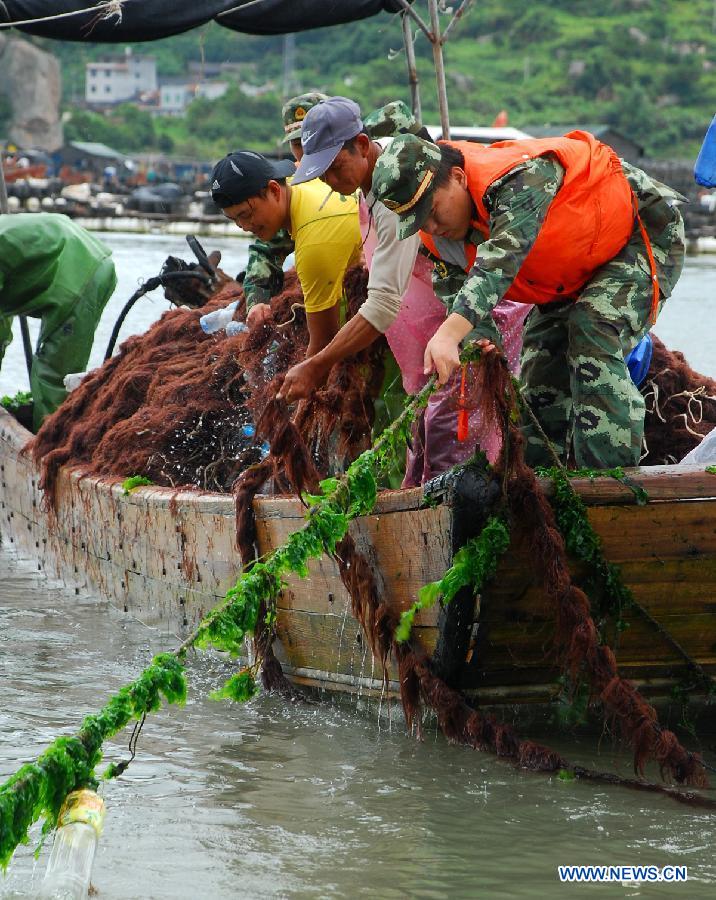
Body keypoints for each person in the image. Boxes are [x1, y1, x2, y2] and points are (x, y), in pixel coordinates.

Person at [370, 131, 686, 469]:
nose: (432, 226)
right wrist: (482, 345)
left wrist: (448, 334)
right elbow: (464, 302)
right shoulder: (438, 240)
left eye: (432, 210)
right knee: (540, 367)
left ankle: (610, 484)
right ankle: (538, 483)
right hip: (570, 265)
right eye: (419, 221)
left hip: (638, 234)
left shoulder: (521, 177)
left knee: (592, 330)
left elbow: (501, 260)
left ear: (459, 178)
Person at [278, 96, 530, 483]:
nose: (330, 180)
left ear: (362, 145)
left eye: (335, 167)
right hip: (430, 338)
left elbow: (381, 307)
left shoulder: (398, 190)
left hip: (470, 325)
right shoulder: (366, 181)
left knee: (454, 440)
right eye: (320, 173)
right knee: (428, 438)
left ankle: (468, 531)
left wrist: (318, 364)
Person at [210, 150, 361, 357]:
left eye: (246, 215)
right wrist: (256, 302)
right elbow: (265, 252)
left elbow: (323, 344)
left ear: (274, 190)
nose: (243, 227)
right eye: (234, 220)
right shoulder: (299, 177)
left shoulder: (314, 242)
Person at [0, 212, 117, 430]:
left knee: (54, 377)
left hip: (81, 272)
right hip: (81, 257)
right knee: (53, 373)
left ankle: (47, 451)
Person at [241, 92, 328, 319]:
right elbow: (265, 251)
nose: (306, 151)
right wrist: (256, 302)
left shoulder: (358, 172)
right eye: (298, 144)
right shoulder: (292, 189)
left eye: (313, 140)